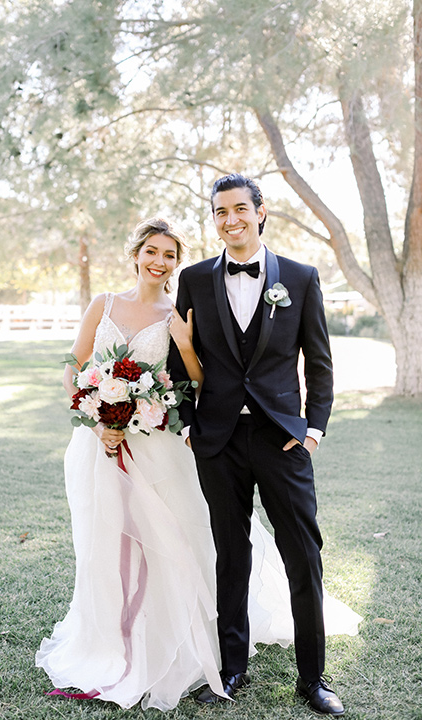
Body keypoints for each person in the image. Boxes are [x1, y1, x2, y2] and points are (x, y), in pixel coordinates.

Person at [36, 215, 360, 713]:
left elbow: (200, 377)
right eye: (151, 252)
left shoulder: (183, 304)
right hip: (104, 444)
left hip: (167, 444)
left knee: (182, 543)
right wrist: (99, 415)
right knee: (106, 545)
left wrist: (184, 349)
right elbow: (74, 367)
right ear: (135, 253)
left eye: (169, 255)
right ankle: (116, 643)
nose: (159, 262)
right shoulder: (103, 303)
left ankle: (301, 676)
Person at [167, 173, 347, 716]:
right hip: (218, 441)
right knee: (231, 554)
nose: (231, 220)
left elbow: (319, 362)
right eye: (220, 212)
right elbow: (181, 365)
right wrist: (189, 424)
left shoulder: (300, 276)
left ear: (260, 212)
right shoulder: (195, 280)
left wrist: (312, 431)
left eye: (240, 209)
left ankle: (313, 678)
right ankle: (231, 667)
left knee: (302, 555)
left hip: (282, 441)